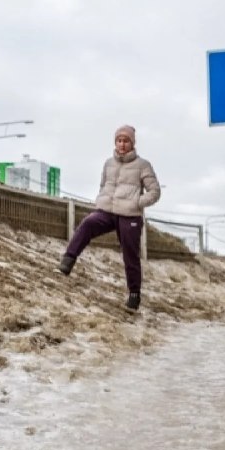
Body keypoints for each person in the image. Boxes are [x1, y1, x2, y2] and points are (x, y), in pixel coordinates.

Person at [58, 124, 161, 314]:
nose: (122, 144)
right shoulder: (108, 163)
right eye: (119, 140)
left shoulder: (142, 165)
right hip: (107, 211)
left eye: (126, 141)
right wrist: (103, 198)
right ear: (115, 142)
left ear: (132, 143)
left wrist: (137, 202)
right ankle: (68, 260)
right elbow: (103, 184)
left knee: (130, 255)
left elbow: (155, 192)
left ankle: (134, 294)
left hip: (130, 214)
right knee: (88, 223)